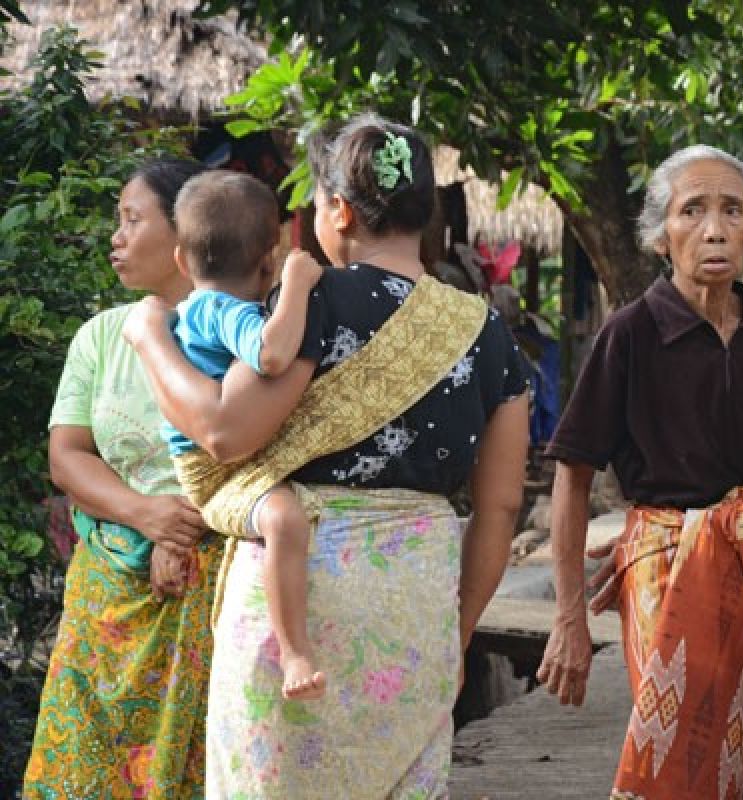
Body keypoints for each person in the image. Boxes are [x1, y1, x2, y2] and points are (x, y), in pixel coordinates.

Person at [123, 113, 530, 799]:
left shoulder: (303, 300)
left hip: (297, 608)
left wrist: (150, 339)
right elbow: (501, 505)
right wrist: (454, 637)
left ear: (336, 210)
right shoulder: (486, 331)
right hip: (417, 605)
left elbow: (226, 434)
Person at [536, 144, 743, 799]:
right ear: (660, 235)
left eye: (733, 210)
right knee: (679, 752)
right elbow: (573, 476)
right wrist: (569, 619)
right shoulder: (630, 333)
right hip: (664, 565)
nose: (715, 228)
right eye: (692, 210)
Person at [24, 158, 218, 799]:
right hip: (105, 594)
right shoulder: (101, 337)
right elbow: (67, 457)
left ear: (185, 233)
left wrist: (180, 533)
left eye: (133, 220)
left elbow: (243, 445)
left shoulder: (242, 336)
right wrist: (146, 515)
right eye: (117, 221)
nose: (117, 237)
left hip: (208, 596)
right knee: (80, 766)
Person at [165, 169, 328, 699]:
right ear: (268, 261)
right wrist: (298, 286)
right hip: (214, 472)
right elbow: (273, 352)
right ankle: (294, 651)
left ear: (181, 261)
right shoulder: (221, 311)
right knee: (284, 517)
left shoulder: (195, 307)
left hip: (218, 460)